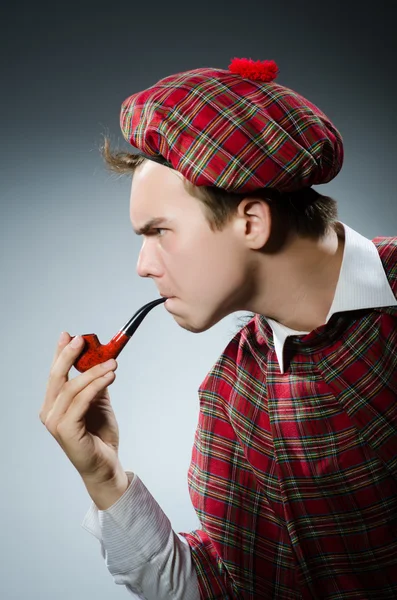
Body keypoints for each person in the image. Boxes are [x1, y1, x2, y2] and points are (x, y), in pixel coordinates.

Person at [39, 58, 397, 599]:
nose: (143, 264)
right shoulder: (232, 397)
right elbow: (224, 588)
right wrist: (106, 480)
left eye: (160, 231)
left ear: (251, 222)